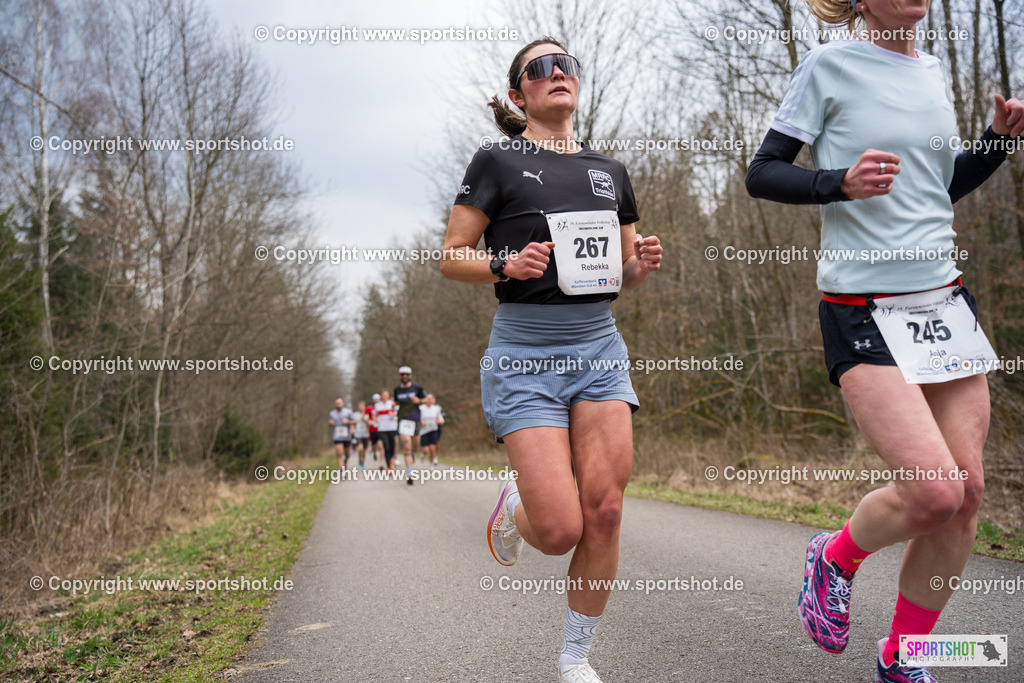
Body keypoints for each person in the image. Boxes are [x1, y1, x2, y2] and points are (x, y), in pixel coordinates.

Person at [745, 2, 1023, 681]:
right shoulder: (830, 64)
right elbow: (763, 170)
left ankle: (903, 659)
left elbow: (937, 187)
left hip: (944, 302)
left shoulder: (933, 70)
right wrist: (836, 182)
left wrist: (996, 142)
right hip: (863, 307)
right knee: (934, 493)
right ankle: (834, 556)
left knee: (967, 494)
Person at [440, 37, 662, 683]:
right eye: (540, 68)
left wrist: (641, 266)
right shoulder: (496, 161)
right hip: (525, 353)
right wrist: (504, 264)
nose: (558, 72)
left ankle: (575, 656)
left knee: (606, 511)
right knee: (561, 529)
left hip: (599, 349)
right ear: (519, 95)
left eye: (567, 64)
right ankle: (515, 508)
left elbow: (623, 274)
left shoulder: (609, 171)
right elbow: (451, 256)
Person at [394, 366, 426, 486]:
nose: (405, 376)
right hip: (403, 420)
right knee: (407, 446)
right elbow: (396, 401)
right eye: (402, 374)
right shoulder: (397, 390)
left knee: (415, 446)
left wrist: (419, 401)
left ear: (410, 375)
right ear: (399, 376)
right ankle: (410, 475)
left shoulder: (417, 388)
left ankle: (413, 454)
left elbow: (426, 399)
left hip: (415, 419)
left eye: (407, 374)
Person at [327, 398, 357, 472]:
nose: (338, 405)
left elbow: (355, 421)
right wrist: (330, 423)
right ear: (335, 404)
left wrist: (348, 421)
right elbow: (329, 423)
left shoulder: (348, 412)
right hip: (337, 436)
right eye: (337, 403)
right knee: (339, 453)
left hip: (346, 436)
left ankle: (345, 462)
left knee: (347, 454)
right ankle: (342, 469)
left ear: (343, 403)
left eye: (339, 403)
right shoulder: (332, 413)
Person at [374, 390, 398, 474]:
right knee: (386, 447)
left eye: (386, 395)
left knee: (392, 447)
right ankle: (389, 467)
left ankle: (391, 461)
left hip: (392, 428)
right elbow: (374, 415)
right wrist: (375, 420)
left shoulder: (392, 404)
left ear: (388, 396)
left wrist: (393, 414)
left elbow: (398, 414)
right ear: (381, 396)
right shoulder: (377, 405)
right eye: (383, 395)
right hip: (382, 429)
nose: (384, 396)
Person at [418, 394, 444, 466]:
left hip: (433, 430)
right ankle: (423, 454)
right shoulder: (421, 408)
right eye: (428, 398)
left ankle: (431, 463)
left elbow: (442, 420)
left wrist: (438, 421)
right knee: (426, 450)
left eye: (431, 398)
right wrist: (421, 422)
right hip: (424, 431)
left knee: (432, 448)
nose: (429, 400)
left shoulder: (436, 409)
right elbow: (417, 419)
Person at [352, 400, 370, 470]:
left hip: (365, 434)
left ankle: (362, 463)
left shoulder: (367, 415)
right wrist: (352, 428)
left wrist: (365, 420)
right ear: (358, 407)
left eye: (362, 406)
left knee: (364, 450)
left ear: (364, 407)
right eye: (360, 406)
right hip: (358, 434)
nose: (361, 408)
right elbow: (352, 423)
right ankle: (360, 461)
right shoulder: (355, 414)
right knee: (360, 448)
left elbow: (369, 424)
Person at [366, 393, 382, 467]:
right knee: (374, 445)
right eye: (375, 399)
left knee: (381, 445)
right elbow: (364, 417)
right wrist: (368, 421)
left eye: (377, 399)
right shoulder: (370, 408)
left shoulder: (382, 407)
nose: (376, 400)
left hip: (381, 429)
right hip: (372, 429)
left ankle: (381, 463)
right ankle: (374, 452)